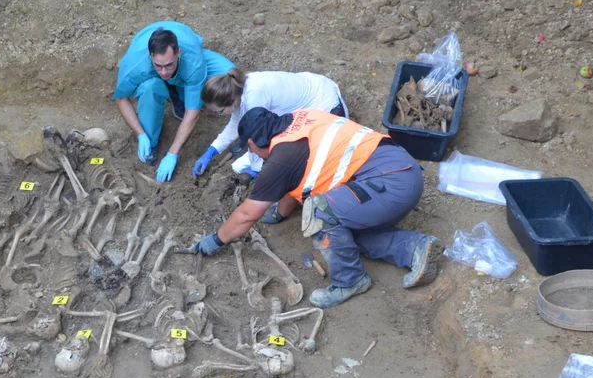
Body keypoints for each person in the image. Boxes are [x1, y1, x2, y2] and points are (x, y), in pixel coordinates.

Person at [185, 107, 442, 308]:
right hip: (400, 173)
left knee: (319, 212)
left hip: (389, 185)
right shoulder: (301, 118)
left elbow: (246, 215)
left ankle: (350, 281)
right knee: (342, 237)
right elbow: (303, 176)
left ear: (253, 143)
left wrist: (215, 240)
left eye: (250, 150)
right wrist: (280, 211)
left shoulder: (280, 161)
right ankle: (414, 247)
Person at [113, 21, 235, 182]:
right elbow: (121, 98)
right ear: (151, 57)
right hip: (149, 72)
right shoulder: (135, 65)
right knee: (152, 88)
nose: (164, 71)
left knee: (231, 78)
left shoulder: (193, 61)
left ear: (178, 53)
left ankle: (176, 91)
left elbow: (193, 113)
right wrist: (140, 134)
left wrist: (173, 154)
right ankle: (151, 142)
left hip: (190, 60)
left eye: (169, 65)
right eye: (158, 66)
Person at [192, 68, 348, 179]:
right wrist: (210, 152)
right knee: (238, 167)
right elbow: (236, 123)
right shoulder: (238, 90)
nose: (219, 115)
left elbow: (258, 138)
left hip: (327, 106)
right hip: (311, 92)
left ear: (231, 101)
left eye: (219, 112)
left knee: (300, 161)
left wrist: (258, 169)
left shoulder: (254, 96)